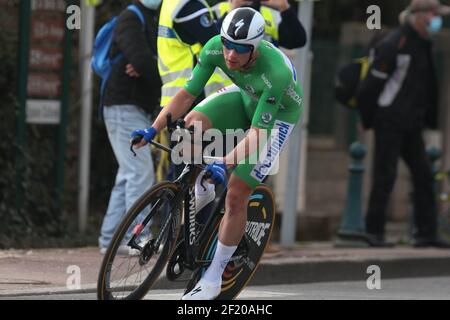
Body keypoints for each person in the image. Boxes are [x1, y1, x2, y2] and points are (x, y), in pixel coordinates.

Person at [132, 7, 303, 299]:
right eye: (227, 44)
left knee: (237, 192)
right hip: (246, 96)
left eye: (240, 49)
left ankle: (212, 279)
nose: (230, 54)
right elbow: (186, 94)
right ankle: (200, 190)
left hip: (276, 117)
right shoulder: (215, 47)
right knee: (192, 125)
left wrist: (224, 164)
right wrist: (153, 129)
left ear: (256, 48)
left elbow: (259, 133)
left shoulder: (277, 72)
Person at [356, 0, 450, 248]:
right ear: (418, 16)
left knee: (424, 176)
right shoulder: (395, 43)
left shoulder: (422, 43)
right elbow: (371, 86)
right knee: (385, 176)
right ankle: (373, 232)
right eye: (432, 14)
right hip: (390, 121)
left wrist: (428, 120)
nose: (436, 19)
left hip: (411, 123)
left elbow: (426, 87)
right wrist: (367, 119)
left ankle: (426, 233)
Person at [98, 0, 162, 253]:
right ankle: (137, 237)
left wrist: (151, 62)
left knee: (128, 174)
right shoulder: (130, 18)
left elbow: (147, 63)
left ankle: (108, 239)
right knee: (139, 172)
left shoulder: (150, 18)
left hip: (132, 108)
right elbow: (142, 61)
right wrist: (152, 64)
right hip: (123, 107)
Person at [214, 0, 307, 49]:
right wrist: (232, 11)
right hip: (221, 85)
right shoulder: (217, 11)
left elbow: (298, 41)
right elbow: (211, 43)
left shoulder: (270, 15)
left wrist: (285, 8)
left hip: (261, 82)